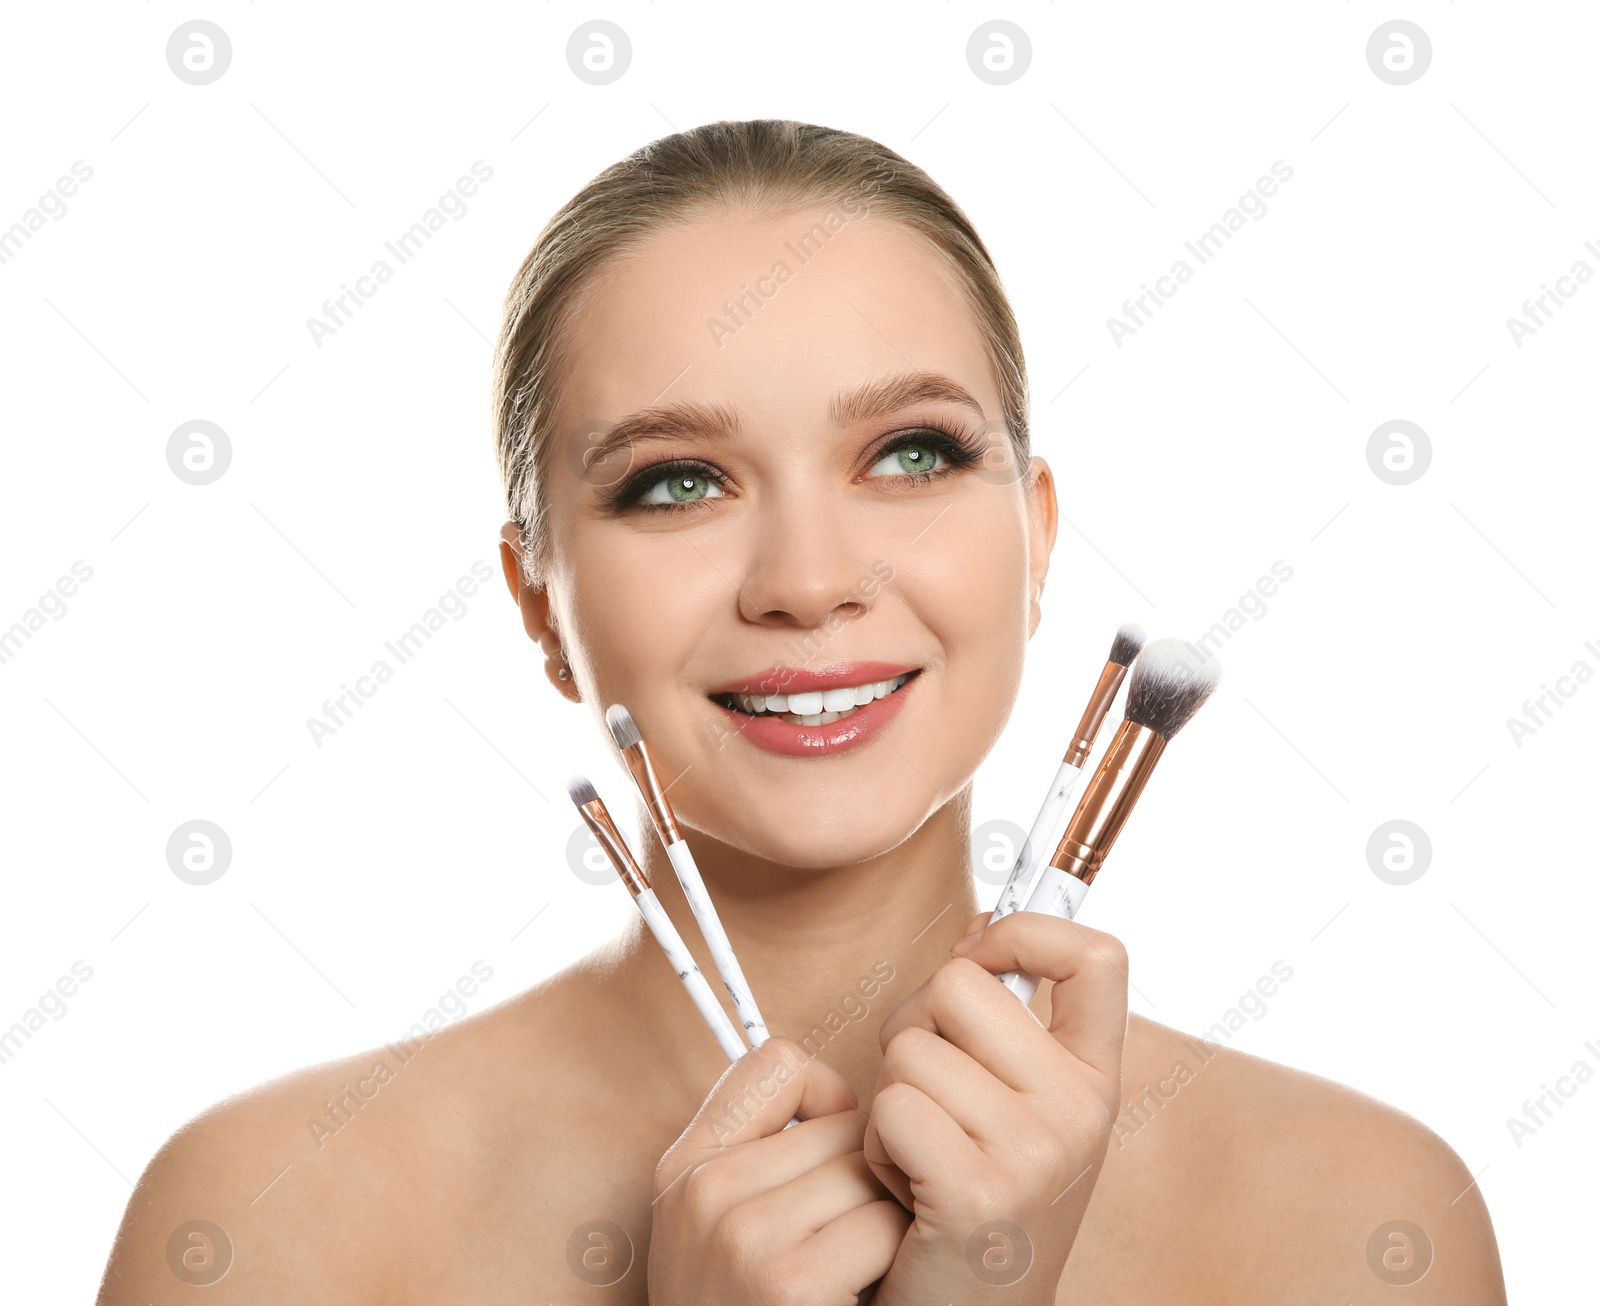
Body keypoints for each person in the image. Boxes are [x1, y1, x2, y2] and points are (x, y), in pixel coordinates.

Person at [96, 119, 1507, 1304]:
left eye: (909, 452)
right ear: (539, 604)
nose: (810, 581)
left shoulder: (1366, 1223)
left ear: (1037, 542)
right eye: (677, 480)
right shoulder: (261, 1224)